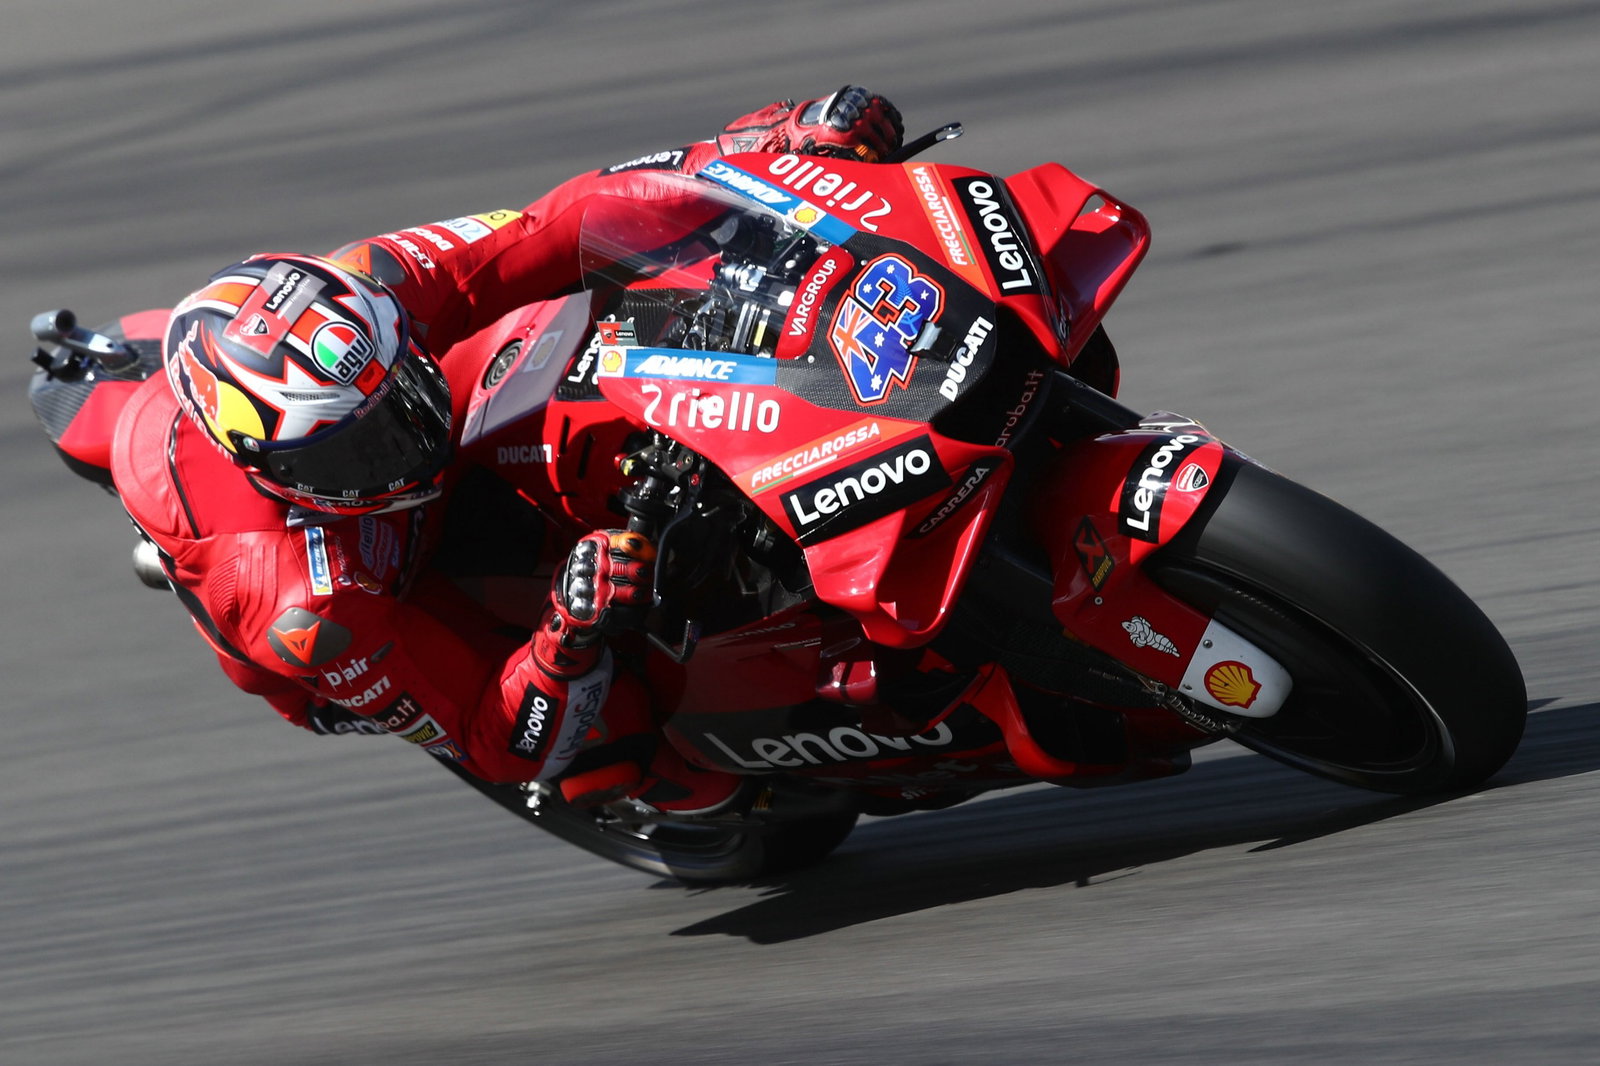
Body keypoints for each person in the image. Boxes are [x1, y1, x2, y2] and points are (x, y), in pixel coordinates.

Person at [111, 88, 904, 815]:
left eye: (399, 399)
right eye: (359, 452)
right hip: (388, 584)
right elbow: (489, 739)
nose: (404, 450)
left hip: (458, 398)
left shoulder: (376, 283)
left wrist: (760, 152)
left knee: (641, 314)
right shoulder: (305, 604)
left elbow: (564, 223)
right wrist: (565, 636)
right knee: (627, 751)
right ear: (274, 471)